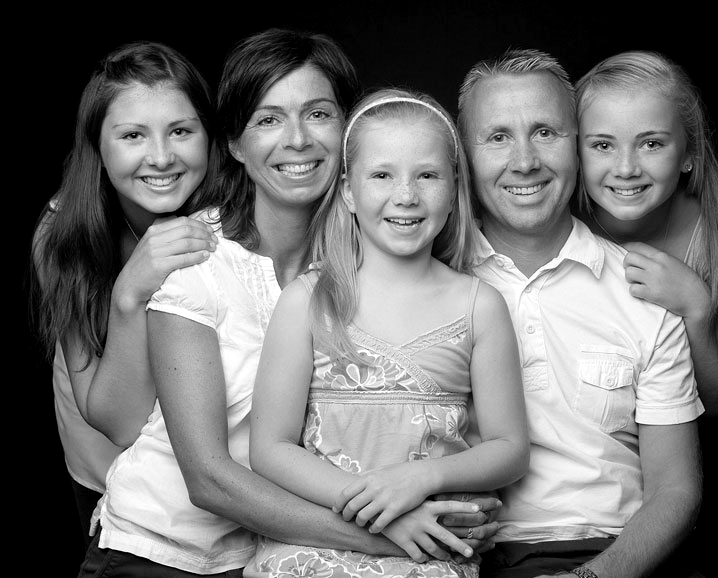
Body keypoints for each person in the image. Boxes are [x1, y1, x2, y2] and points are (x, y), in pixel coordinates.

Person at [79, 29, 496, 577]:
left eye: (319, 114)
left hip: (284, 559)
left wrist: (456, 510)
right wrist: (399, 535)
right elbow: (208, 479)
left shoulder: (390, 254)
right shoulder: (197, 260)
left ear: (349, 131)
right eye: (269, 120)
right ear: (234, 143)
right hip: (162, 551)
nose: (297, 140)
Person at [242, 88, 530, 578]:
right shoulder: (308, 301)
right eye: (382, 175)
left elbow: (510, 448)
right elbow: (270, 448)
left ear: (453, 187)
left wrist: (421, 478)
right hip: (316, 549)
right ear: (348, 191)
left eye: (427, 175)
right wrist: (379, 510)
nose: (406, 195)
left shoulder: (479, 306)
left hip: (428, 554)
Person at [456, 48, 706, 578]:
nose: (525, 161)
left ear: (577, 145)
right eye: (498, 137)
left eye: (545, 132)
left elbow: (676, 490)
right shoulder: (429, 281)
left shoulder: (644, 294)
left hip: (611, 556)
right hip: (460, 559)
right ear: (463, 157)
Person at [28, 40, 219, 550]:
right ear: (98, 147)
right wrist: (129, 290)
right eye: (133, 135)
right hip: (105, 467)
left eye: (181, 131)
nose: (161, 157)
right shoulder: (63, 232)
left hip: (208, 476)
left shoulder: (233, 216)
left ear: (210, 136)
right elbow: (118, 421)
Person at [573, 50, 718, 416]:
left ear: (689, 153)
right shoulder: (559, 222)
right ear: (574, 152)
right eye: (602, 145)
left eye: (651, 144)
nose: (626, 169)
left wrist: (696, 306)